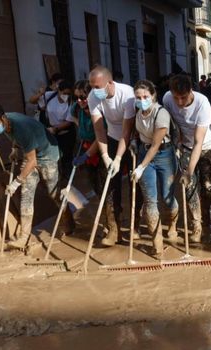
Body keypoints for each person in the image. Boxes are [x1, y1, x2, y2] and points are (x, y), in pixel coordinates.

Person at [0, 103, 74, 249]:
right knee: (26, 195)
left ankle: (67, 218)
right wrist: (14, 149)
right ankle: (24, 237)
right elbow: (16, 138)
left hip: (47, 155)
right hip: (31, 154)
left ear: (3, 118)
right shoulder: (6, 124)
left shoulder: (21, 127)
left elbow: (32, 161)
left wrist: (16, 182)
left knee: (53, 193)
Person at [87, 65, 138, 246]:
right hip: (112, 137)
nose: (95, 91)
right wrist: (106, 156)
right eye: (92, 87)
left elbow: (127, 129)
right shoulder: (92, 97)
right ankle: (113, 228)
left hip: (132, 138)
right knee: (109, 183)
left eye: (98, 87)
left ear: (109, 83)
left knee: (136, 182)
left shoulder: (127, 94)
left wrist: (118, 158)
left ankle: (136, 225)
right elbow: (99, 129)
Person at [163, 74, 211, 243]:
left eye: (183, 97)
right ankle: (196, 224)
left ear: (191, 91)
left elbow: (199, 142)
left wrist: (189, 171)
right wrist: (177, 138)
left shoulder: (202, 104)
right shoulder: (167, 99)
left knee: (207, 187)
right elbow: (171, 121)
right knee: (189, 188)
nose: (179, 102)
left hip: (205, 146)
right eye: (175, 97)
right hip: (185, 146)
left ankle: (206, 220)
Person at [130, 80, 179, 257]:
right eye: (138, 97)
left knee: (167, 198)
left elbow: (156, 144)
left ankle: (172, 224)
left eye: (145, 96)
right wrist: (134, 142)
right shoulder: (137, 113)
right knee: (150, 201)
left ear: (153, 96)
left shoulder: (162, 113)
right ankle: (157, 245)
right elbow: (139, 133)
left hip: (164, 154)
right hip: (144, 154)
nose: (142, 100)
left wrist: (140, 167)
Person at [67, 80, 102, 198]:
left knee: (104, 180)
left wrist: (86, 155)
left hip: (102, 147)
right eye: (76, 97)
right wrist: (81, 126)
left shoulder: (100, 109)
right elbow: (71, 116)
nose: (79, 101)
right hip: (85, 144)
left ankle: (111, 208)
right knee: (92, 179)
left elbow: (101, 137)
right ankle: (100, 197)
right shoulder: (76, 108)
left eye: (82, 97)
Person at [40, 80, 76, 186]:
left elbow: (69, 121)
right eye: (64, 93)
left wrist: (55, 129)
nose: (66, 96)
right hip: (52, 132)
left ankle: (68, 180)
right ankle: (57, 178)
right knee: (54, 156)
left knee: (66, 156)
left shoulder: (71, 102)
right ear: (58, 91)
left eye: (68, 94)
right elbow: (34, 102)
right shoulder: (49, 96)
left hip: (66, 133)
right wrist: (39, 93)